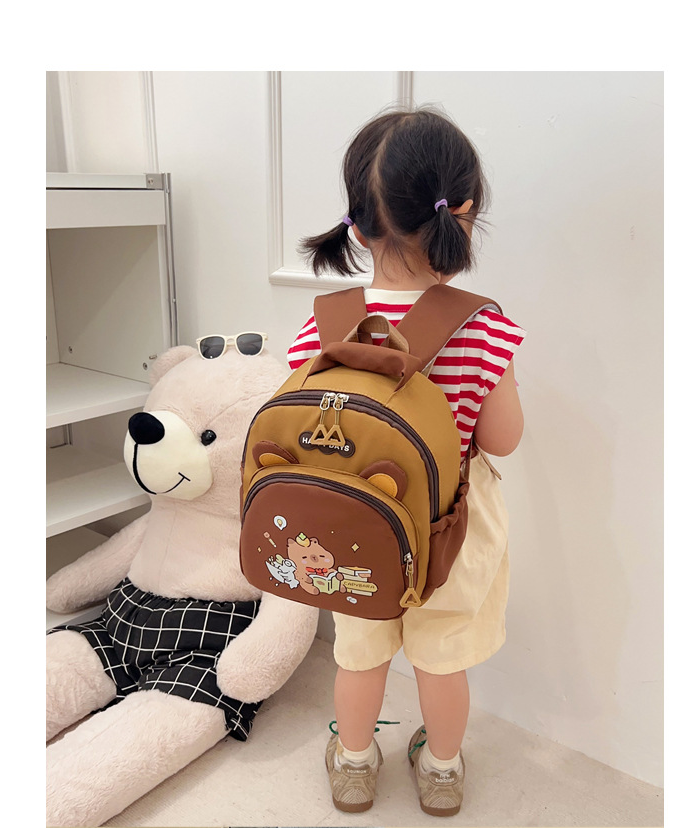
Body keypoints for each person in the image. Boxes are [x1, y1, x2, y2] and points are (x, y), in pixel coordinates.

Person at [287, 106, 525, 817]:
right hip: (451, 529)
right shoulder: (482, 326)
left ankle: (355, 762)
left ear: (358, 227)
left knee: (359, 653)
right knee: (441, 658)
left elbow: (298, 426)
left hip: (353, 527)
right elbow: (503, 438)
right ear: (464, 212)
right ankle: (443, 770)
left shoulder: (323, 324)